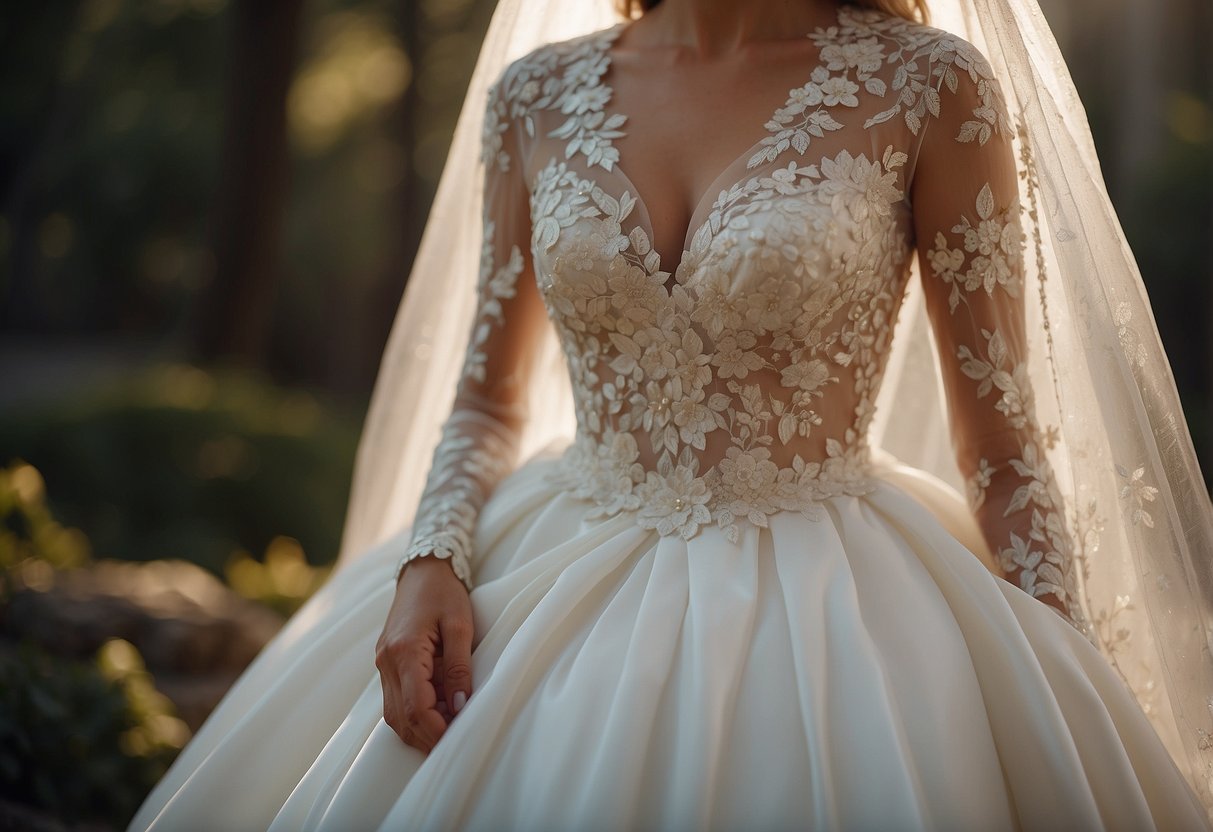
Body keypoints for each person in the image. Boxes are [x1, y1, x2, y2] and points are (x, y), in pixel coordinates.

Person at [130, 0, 1213, 829]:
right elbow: (484, 399)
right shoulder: (533, 96)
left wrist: (1060, 686)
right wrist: (431, 558)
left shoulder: (932, 88)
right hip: (552, 556)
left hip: (838, 598)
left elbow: (1006, 451)